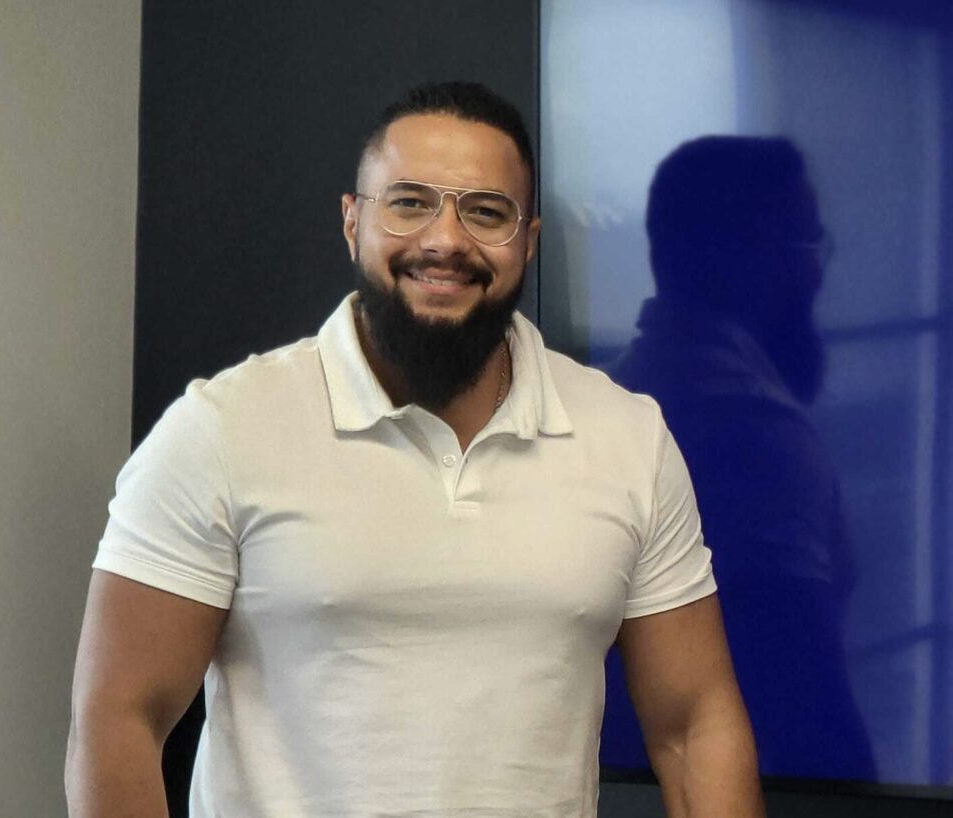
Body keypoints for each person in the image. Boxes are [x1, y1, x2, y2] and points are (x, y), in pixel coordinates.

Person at [65, 82, 764, 818]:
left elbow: (695, 727)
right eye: (409, 202)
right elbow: (118, 717)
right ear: (351, 222)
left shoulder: (626, 436)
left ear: (527, 241)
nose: (445, 240)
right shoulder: (223, 427)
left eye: (486, 212)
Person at [612, 135, 876, 780]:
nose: (819, 270)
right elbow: (802, 708)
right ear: (746, 255)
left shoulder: (618, 392)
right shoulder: (752, 432)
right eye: (806, 244)